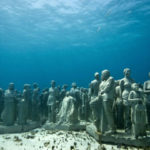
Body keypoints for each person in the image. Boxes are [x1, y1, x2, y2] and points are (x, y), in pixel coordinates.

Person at [99, 70, 116, 134]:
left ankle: (112, 129)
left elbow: (107, 88)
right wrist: (100, 93)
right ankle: (104, 127)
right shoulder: (103, 81)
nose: (101, 75)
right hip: (103, 98)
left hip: (108, 98)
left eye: (102, 74)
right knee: (104, 114)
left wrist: (101, 92)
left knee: (109, 114)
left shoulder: (111, 79)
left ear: (106, 74)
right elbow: (100, 89)